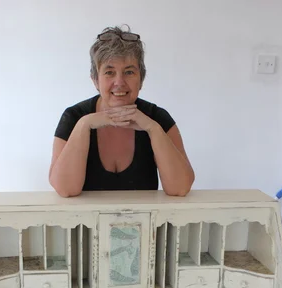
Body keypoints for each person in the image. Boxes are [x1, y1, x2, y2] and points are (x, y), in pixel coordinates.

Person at [49, 25, 195, 197]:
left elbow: (180, 188)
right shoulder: (74, 117)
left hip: (146, 223)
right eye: (109, 72)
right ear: (95, 80)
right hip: (86, 224)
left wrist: (153, 129)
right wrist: (84, 125)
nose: (119, 82)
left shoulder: (157, 118)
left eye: (129, 72)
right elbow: (65, 190)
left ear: (141, 79)